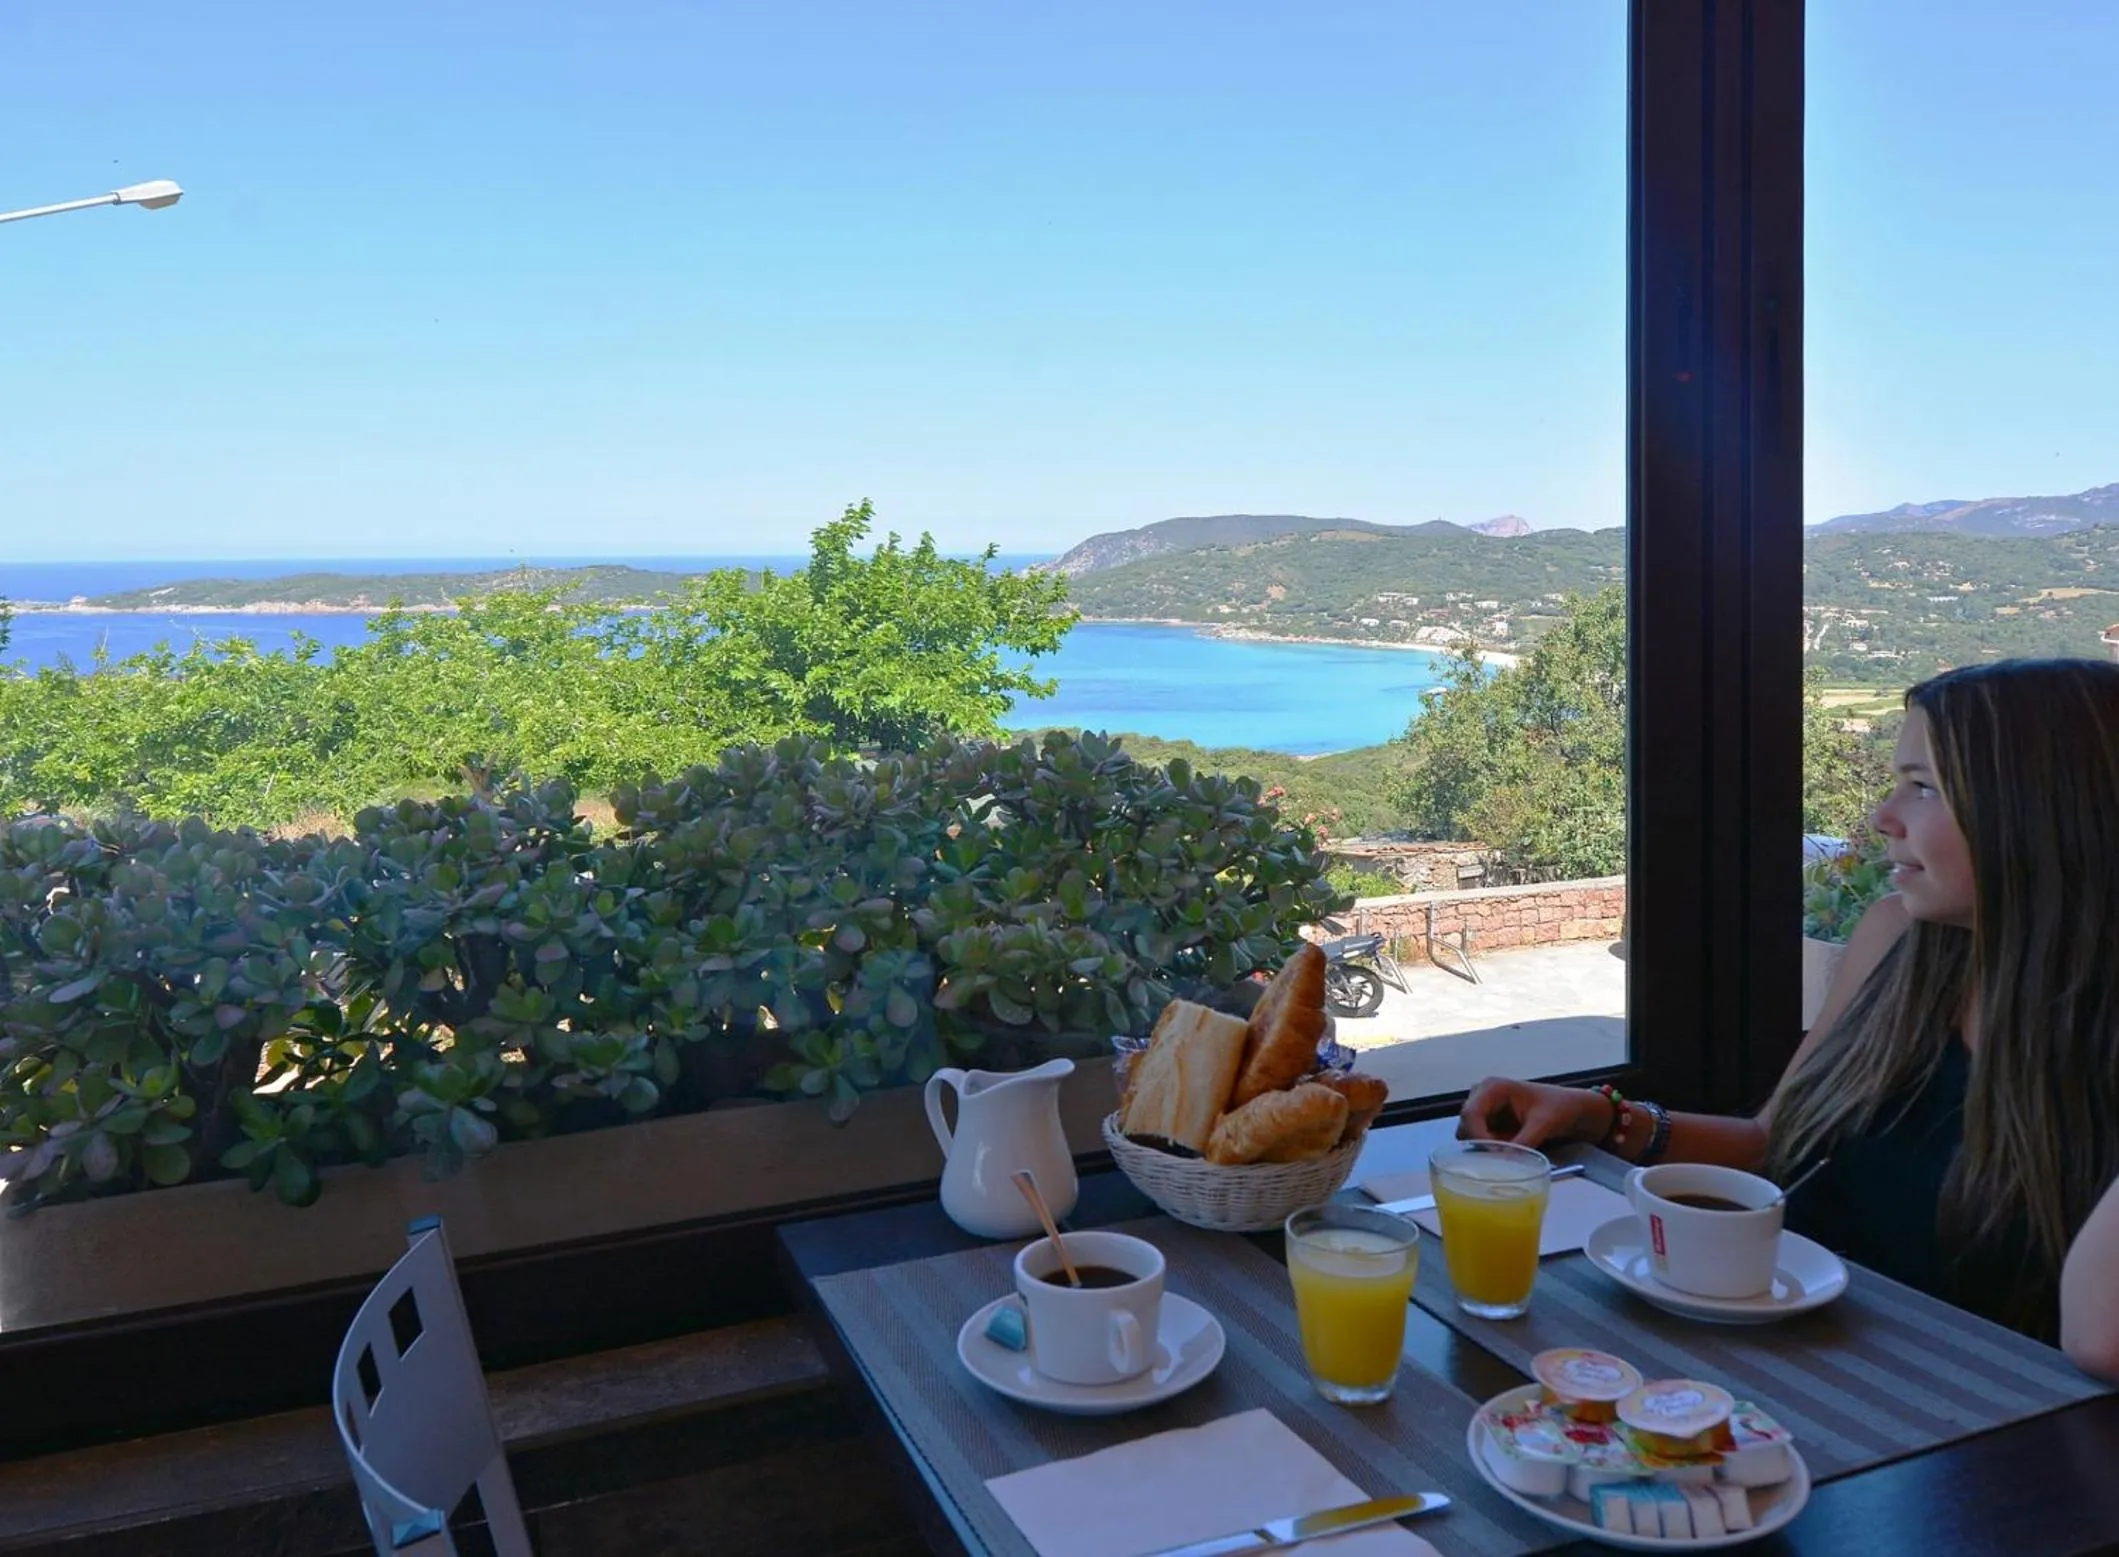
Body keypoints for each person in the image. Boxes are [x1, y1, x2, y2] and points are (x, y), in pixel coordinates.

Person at [1457, 658, 2119, 1379]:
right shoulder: (1898, 941)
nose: (1882, 817)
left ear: (2041, 811)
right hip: (1785, 1363)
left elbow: (2098, 1342)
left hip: (1979, 1431)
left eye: (1923, 787)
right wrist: (1600, 1117)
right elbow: (1771, 1143)